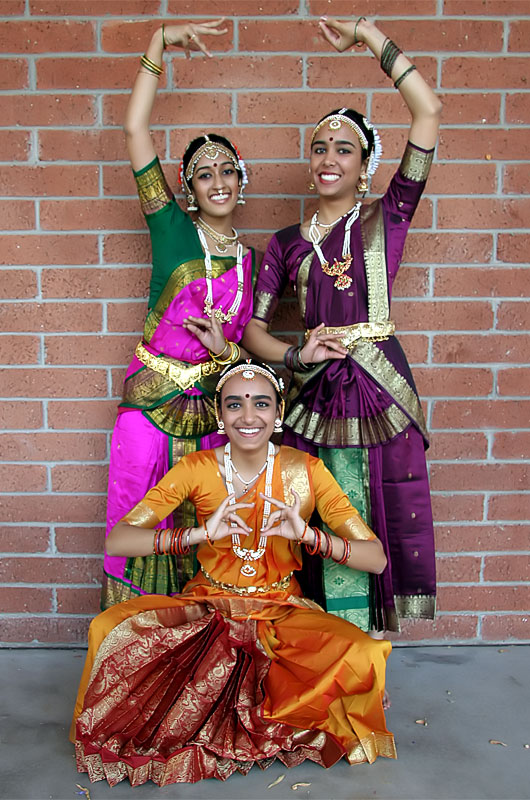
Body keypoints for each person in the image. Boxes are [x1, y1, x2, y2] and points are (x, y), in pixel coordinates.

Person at [72, 359, 395, 787]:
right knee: (106, 627)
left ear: (278, 414)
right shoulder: (197, 468)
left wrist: (311, 537)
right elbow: (119, 540)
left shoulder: (306, 471)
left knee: (365, 654)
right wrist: (199, 533)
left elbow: (375, 559)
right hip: (207, 605)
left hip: (280, 609)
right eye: (234, 404)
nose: (248, 416)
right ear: (220, 415)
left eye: (261, 404)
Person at [243, 15, 442, 633]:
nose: (329, 158)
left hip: (380, 385)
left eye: (345, 149)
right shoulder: (283, 245)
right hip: (315, 393)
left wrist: (370, 39)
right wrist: (298, 354)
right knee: (318, 514)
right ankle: (323, 643)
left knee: (379, 507)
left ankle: (368, 653)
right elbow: (252, 332)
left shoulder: (389, 219)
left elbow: (428, 115)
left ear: (365, 168)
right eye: (320, 147)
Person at [102, 19, 259, 608]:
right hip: (148, 405)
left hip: (214, 415)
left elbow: (251, 351)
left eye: (226, 171)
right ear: (187, 189)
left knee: (209, 536)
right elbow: (133, 127)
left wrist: (230, 353)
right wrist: (157, 44)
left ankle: (199, 667)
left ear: (241, 183)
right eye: (202, 173)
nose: (216, 181)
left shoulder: (253, 264)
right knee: (138, 525)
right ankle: (132, 658)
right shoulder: (169, 228)